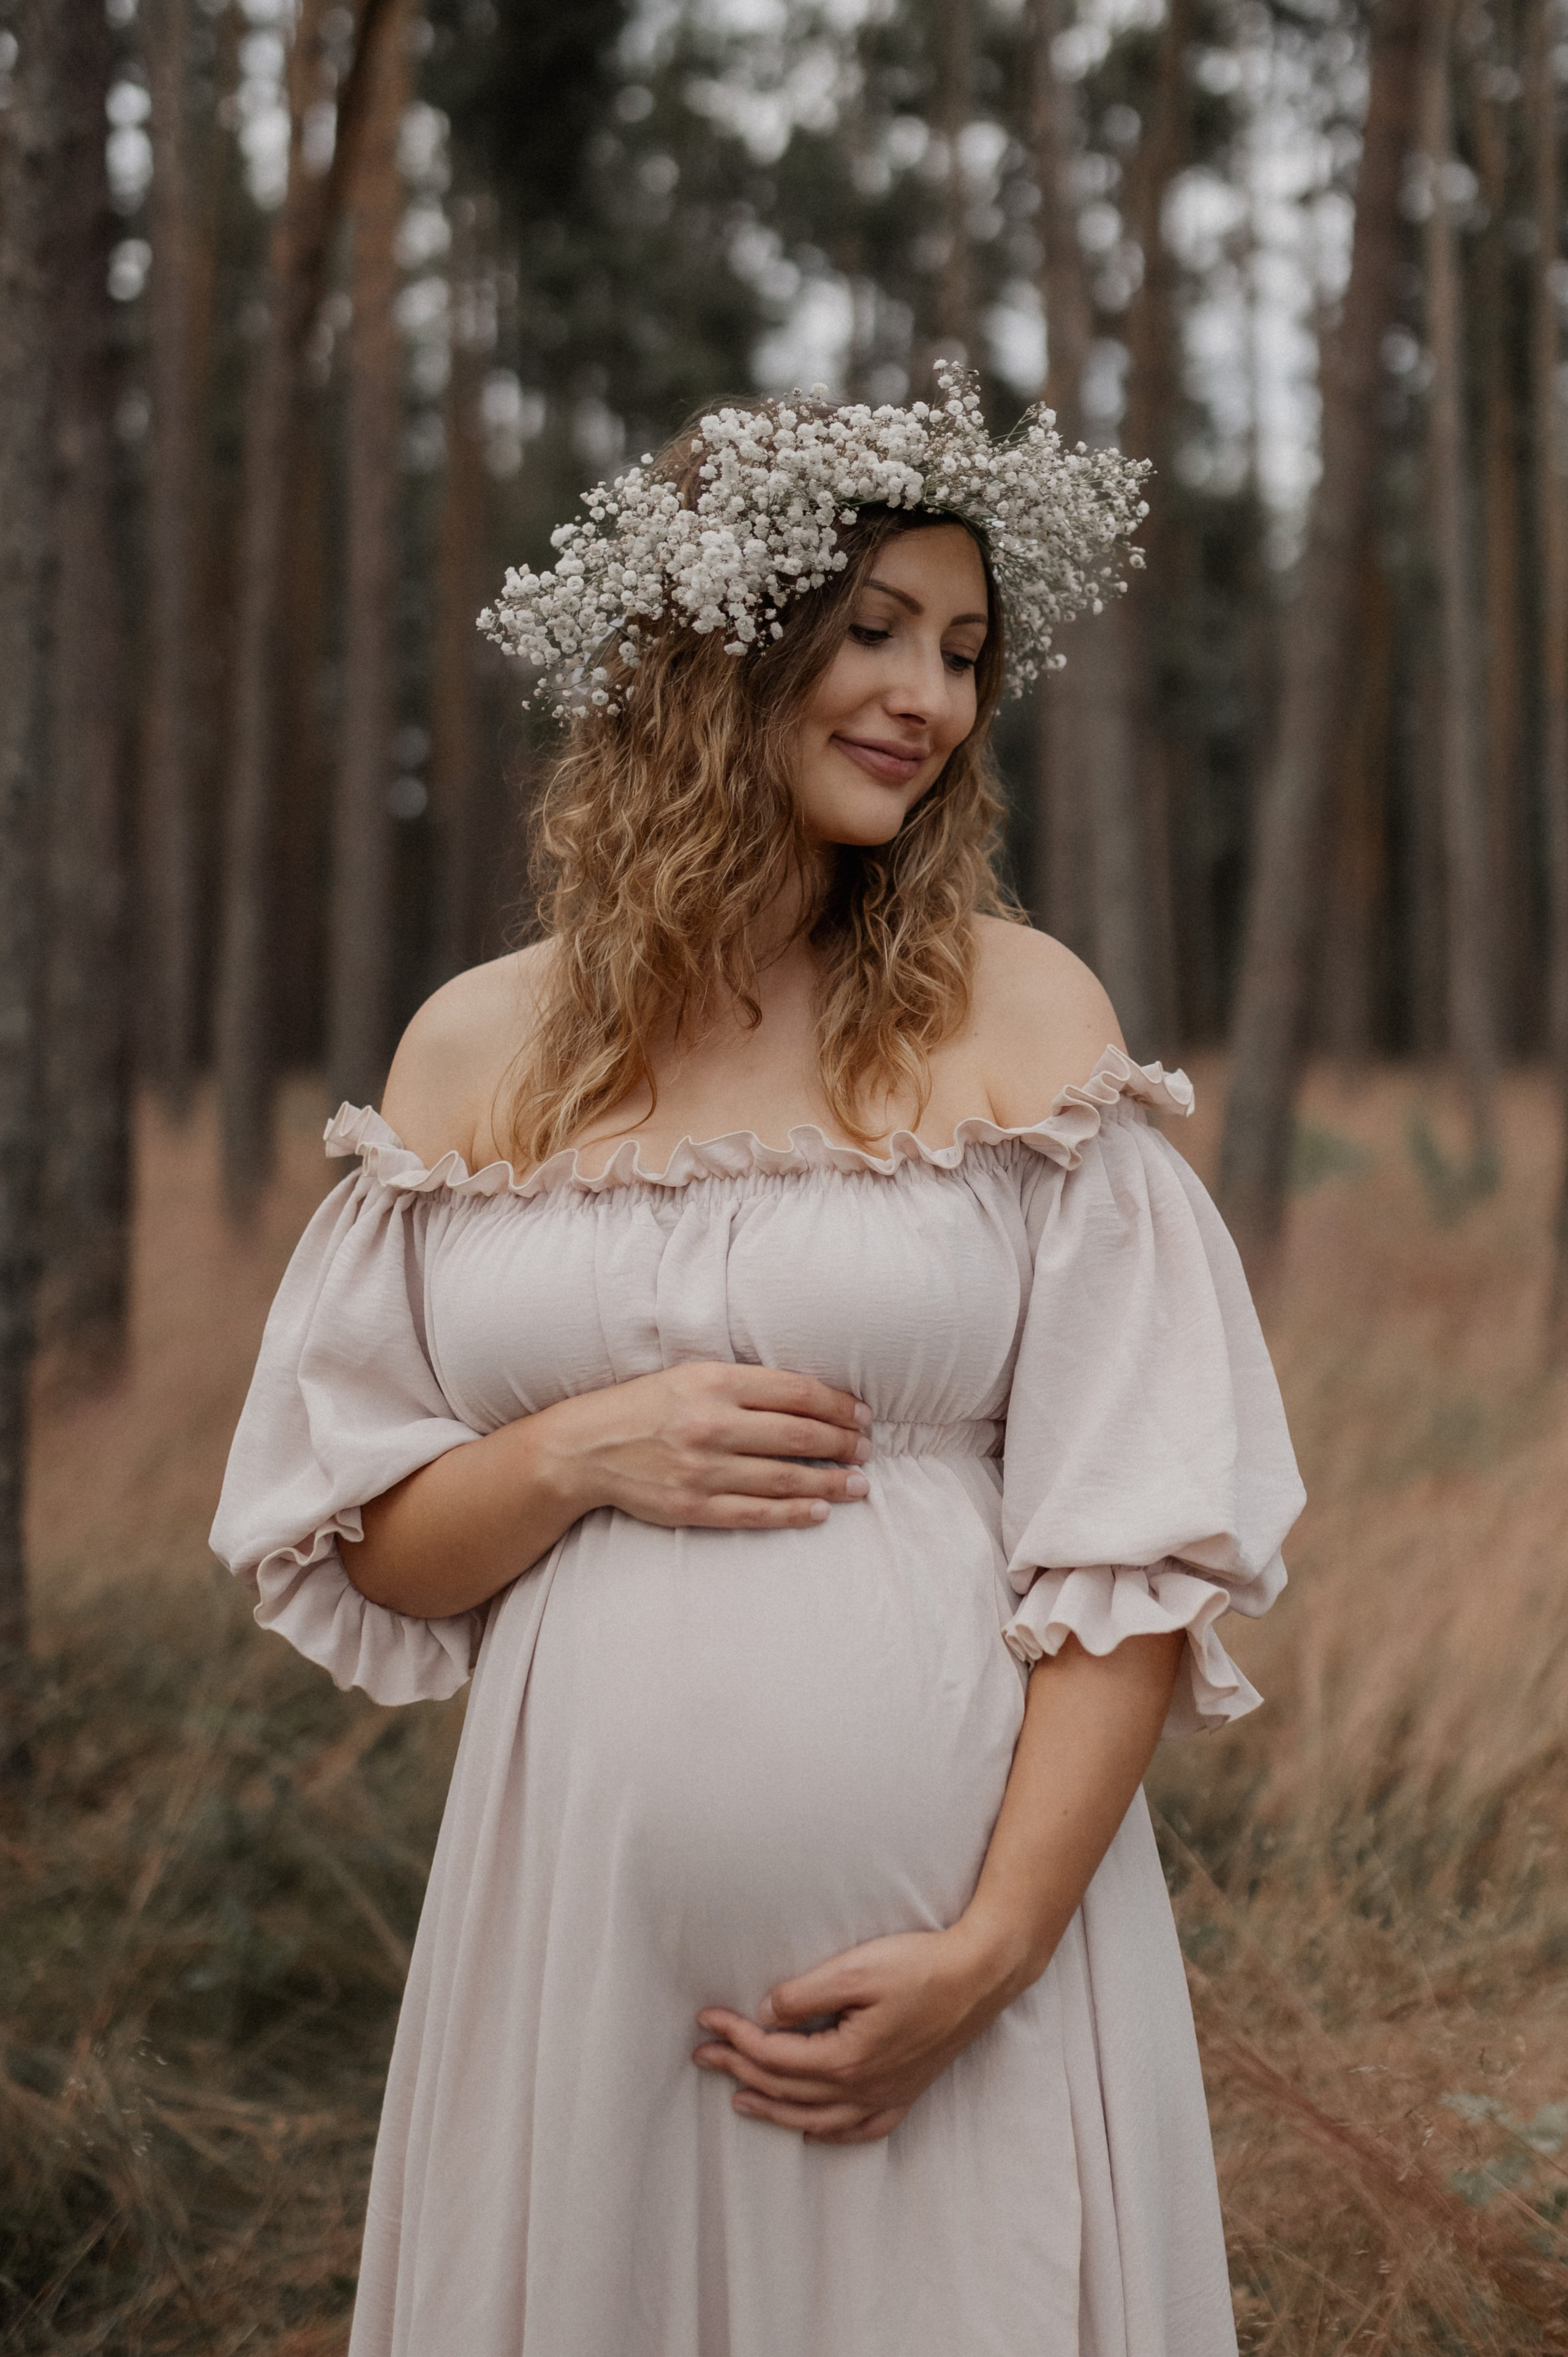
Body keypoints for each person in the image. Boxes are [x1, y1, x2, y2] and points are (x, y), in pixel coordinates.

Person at [212, 370, 1304, 2357]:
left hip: (964, 1978)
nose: (931, 696)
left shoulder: (1016, 1015)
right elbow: (366, 1541)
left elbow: (1137, 1541)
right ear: (714, 644)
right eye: (875, 629)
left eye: (965, 652)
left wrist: (988, 1954)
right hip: (581, 1956)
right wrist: (576, 1454)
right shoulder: (479, 1055)